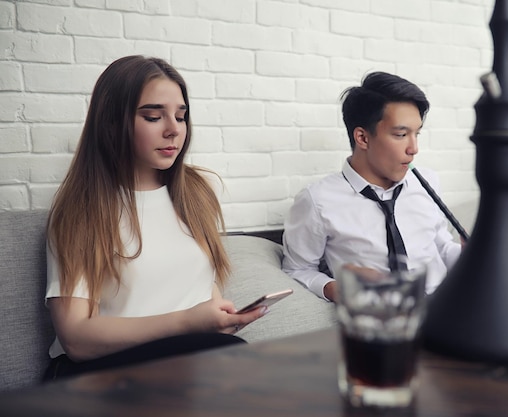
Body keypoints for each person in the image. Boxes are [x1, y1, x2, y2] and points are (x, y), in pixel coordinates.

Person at [44, 55, 267, 380]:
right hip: (102, 374)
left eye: (181, 116)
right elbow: (76, 339)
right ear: (111, 122)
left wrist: (216, 319)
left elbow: (203, 292)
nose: (173, 130)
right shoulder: (82, 211)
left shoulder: (195, 193)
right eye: (152, 116)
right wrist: (187, 322)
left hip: (189, 364)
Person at [281, 71, 462, 302]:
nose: (414, 148)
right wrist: (337, 289)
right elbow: (296, 270)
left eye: (416, 134)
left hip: (447, 308)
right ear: (363, 138)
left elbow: (442, 247)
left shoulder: (427, 182)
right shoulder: (317, 200)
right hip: (382, 320)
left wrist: (473, 253)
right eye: (401, 134)